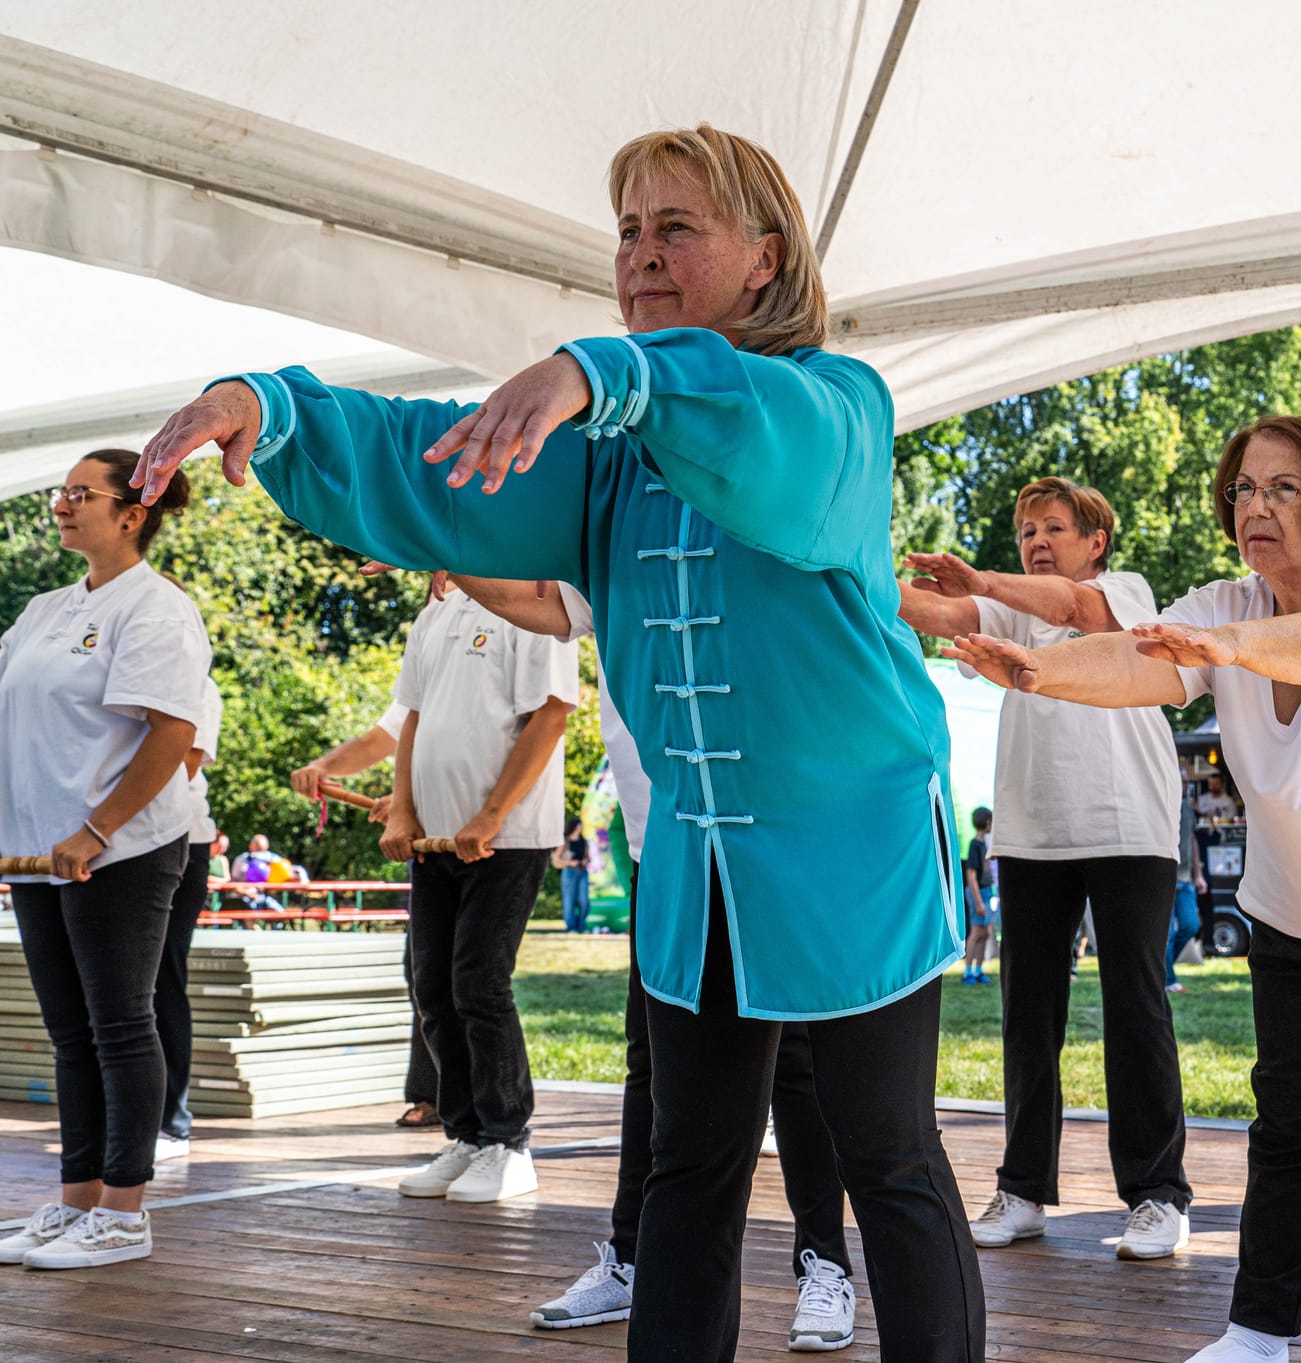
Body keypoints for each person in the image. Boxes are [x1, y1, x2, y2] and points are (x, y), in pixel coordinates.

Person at [134, 123, 984, 1361]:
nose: (639, 253)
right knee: (686, 1166)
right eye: (628, 231)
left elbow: (770, 452)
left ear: (764, 256)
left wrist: (600, 373)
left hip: (855, 849)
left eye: (674, 227)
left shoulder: (838, 402)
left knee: (888, 1160)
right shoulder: (608, 454)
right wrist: (268, 403)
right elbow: (436, 457)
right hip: (699, 865)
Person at [949, 415, 1301, 1363]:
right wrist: (1039, 671)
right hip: (1300, 925)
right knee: (1295, 1142)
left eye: (1280, 489)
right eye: (1243, 490)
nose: (1253, 506)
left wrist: (1228, 647)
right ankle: (1257, 1337)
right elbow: (1140, 659)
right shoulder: (1225, 603)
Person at [435, 571, 869, 1349]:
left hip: (766, 838)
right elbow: (529, 594)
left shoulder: (740, 519)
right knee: (653, 1061)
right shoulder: (617, 532)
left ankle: (823, 1264)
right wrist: (425, 533)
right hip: (663, 848)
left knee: (796, 1062)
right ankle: (634, 1261)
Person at [900, 477, 1192, 1261]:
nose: (1036, 538)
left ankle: (1158, 1195)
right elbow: (936, 612)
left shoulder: (1125, 590)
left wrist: (987, 581)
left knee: (1136, 1006)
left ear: (1094, 542)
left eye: (1053, 527)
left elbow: (1076, 610)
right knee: (1028, 1016)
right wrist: (842, 568)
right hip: (1031, 835)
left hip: (1130, 828)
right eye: (1026, 527)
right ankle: (1024, 1189)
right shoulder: (1007, 610)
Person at [0, 449, 210, 1270]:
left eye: (79, 493)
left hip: (117, 848)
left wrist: (97, 828)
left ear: (133, 513)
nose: (61, 504)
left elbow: (172, 733)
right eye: (61, 491)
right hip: (36, 852)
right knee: (70, 1031)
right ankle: (74, 1198)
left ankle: (124, 1211)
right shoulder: (46, 608)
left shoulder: (156, 610)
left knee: (121, 1024)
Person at [376, 576, 577, 1203]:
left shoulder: (532, 601)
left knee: (478, 983)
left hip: (504, 839)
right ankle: (464, 1135)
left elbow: (552, 713)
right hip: (435, 839)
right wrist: (402, 811)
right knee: (430, 982)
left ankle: (507, 1142)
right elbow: (412, 717)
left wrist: (491, 815)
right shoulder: (434, 612)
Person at [293, 700, 439, 1129]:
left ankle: (488, 1122)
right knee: (423, 972)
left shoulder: (508, 643)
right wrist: (324, 767)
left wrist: (409, 799)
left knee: (474, 983)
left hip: (490, 836)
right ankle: (435, 1095)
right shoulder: (427, 652)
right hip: (429, 842)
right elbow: (381, 738)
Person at [154, 672, 224, 1164]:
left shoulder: (195, 683)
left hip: (178, 840)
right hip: (102, 843)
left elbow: (184, 762)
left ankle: (170, 1124)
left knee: (160, 978)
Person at [1163, 789, 1209, 994]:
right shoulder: (1162, 800)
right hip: (1164, 877)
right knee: (1168, 933)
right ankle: (1168, 980)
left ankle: (1164, 966)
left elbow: (1192, 840)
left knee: (1191, 925)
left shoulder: (1186, 808)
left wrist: (1198, 875)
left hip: (1185, 878)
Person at [960, 806, 996, 984]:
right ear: (988, 822)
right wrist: (979, 901)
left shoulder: (985, 845)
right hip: (978, 893)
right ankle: (967, 972)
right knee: (976, 933)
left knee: (986, 933)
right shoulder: (974, 845)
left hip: (987, 893)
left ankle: (978, 970)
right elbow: (971, 876)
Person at [558, 815, 592, 932]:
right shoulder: (565, 841)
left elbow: (588, 857)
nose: (581, 827)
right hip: (569, 872)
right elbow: (557, 859)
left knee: (584, 900)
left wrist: (585, 860)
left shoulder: (584, 841)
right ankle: (571, 927)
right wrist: (570, 862)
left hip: (582, 871)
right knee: (569, 900)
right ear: (574, 826)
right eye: (579, 825)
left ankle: (581, 926)